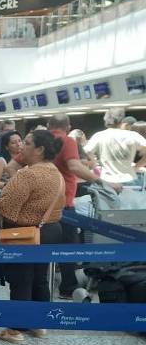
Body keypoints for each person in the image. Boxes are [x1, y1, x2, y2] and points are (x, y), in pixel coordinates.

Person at [0, 130, 66, 343]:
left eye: (28, 143)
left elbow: (6, 207)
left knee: (21, 279)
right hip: (51, 230)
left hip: (24, 233)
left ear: (40, 149)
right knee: (39, 278)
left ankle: (15, 329)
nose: (22, 146)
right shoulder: (56, 174)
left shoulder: (28, 174)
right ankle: (38, 324)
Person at [47, 114, 122, 298]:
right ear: (68, 126)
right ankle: (67, 287)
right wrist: (102, 182)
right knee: (68, 246)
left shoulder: (40, 141)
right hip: (63, 204)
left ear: (49, 125)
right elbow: (74, 166)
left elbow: (14, 165)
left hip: (43, 203)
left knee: (44, 247)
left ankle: (44, 286)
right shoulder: (68, 140)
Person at [84, 108, 146, 184]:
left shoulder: (99, 135)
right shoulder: (133, 135)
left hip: (107, 179)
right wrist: (137, 167)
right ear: (121, 120)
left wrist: (94, 165)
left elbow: (87, 151)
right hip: (129, 178)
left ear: (106, 120)